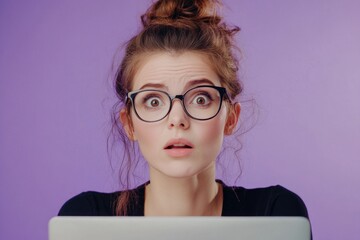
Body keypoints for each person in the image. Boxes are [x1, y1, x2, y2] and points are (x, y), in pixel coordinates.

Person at [59, 0, 310, 219]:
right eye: (153, 101)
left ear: (231, 118)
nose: (177, 119)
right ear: (129, 123)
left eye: (201, 99)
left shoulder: (275, 212)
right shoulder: (87, 217)